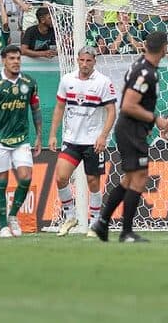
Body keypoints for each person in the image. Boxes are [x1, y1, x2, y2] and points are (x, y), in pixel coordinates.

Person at [91, 32, 168, 243]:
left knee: (130, 179)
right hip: (131, 130)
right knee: (139, 178)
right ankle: (125, 232)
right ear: (165, 48)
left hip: (132, 130)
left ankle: (102, 223)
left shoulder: (142, 65)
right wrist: (156, 120)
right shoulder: (145, 72)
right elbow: (128, 105)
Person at [0, 44, 42, 238]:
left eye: (18, 58)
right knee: (1, 182)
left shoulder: (29, 82)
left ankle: (13, 216)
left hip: (21, 139)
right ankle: (3, 226)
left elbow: (35, 109)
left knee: (26, 177)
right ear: (3, 60)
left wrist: (39, 136)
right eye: (12, 58)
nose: (16, 62)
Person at [49, 46, 117, 237]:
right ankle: (70, 216)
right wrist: (53, 134)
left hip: (93, 141)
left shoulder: (103, 82)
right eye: (82, 60)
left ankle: (95, 222)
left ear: (94, 61)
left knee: (93, 182)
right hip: (71, 140)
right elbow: (59, 107)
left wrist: (103, 136)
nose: (85, 64)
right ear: (77, 60)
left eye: (88, 61)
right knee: (61, 177)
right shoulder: (67, 80)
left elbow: (112, 111)